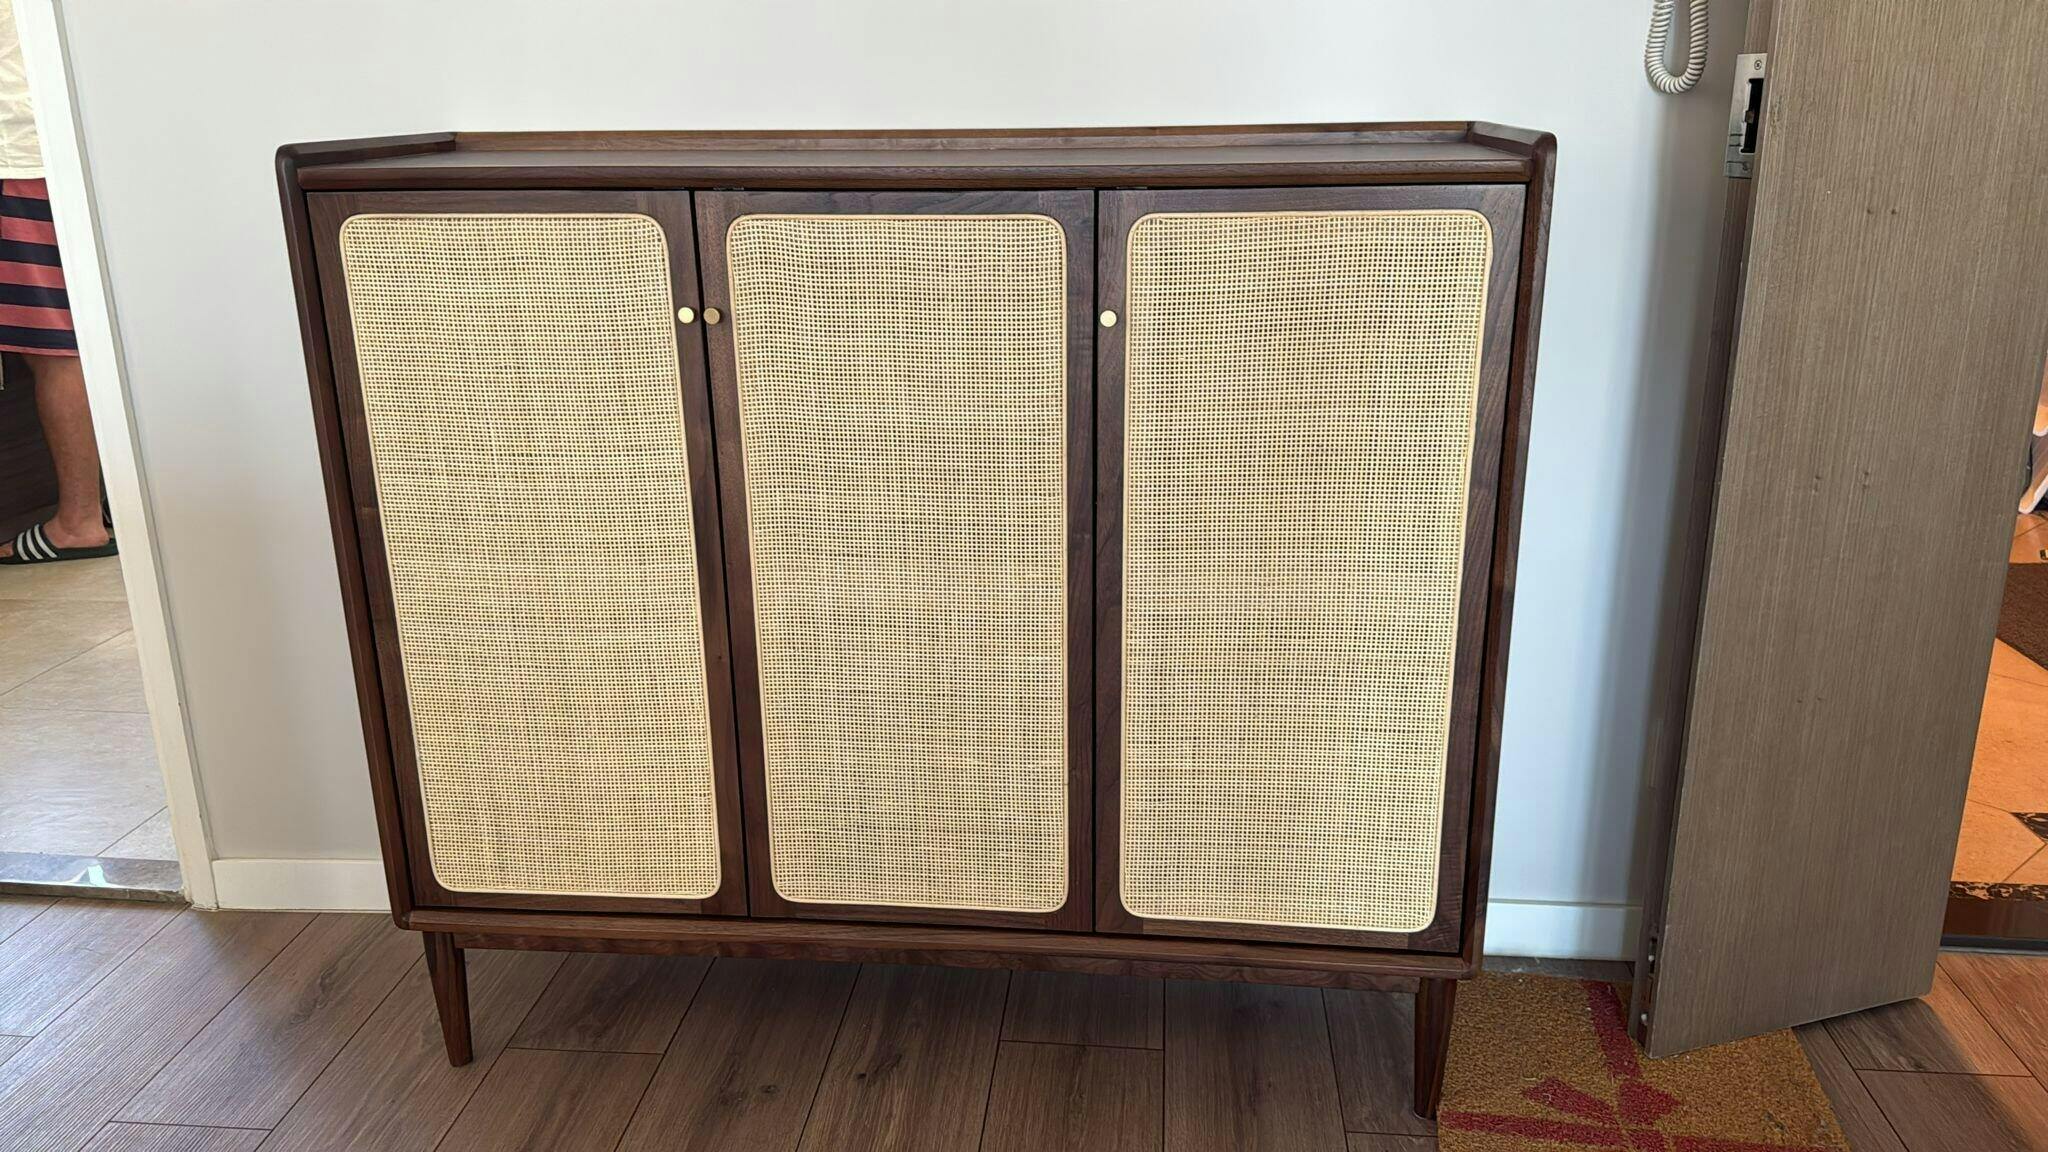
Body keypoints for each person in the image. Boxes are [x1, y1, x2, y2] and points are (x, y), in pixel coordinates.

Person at [0, 0, 110, 565]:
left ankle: (80, 522)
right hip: (70, 137)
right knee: (93, 329)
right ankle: (119, 503)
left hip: (17, 152)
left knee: (53, 347)